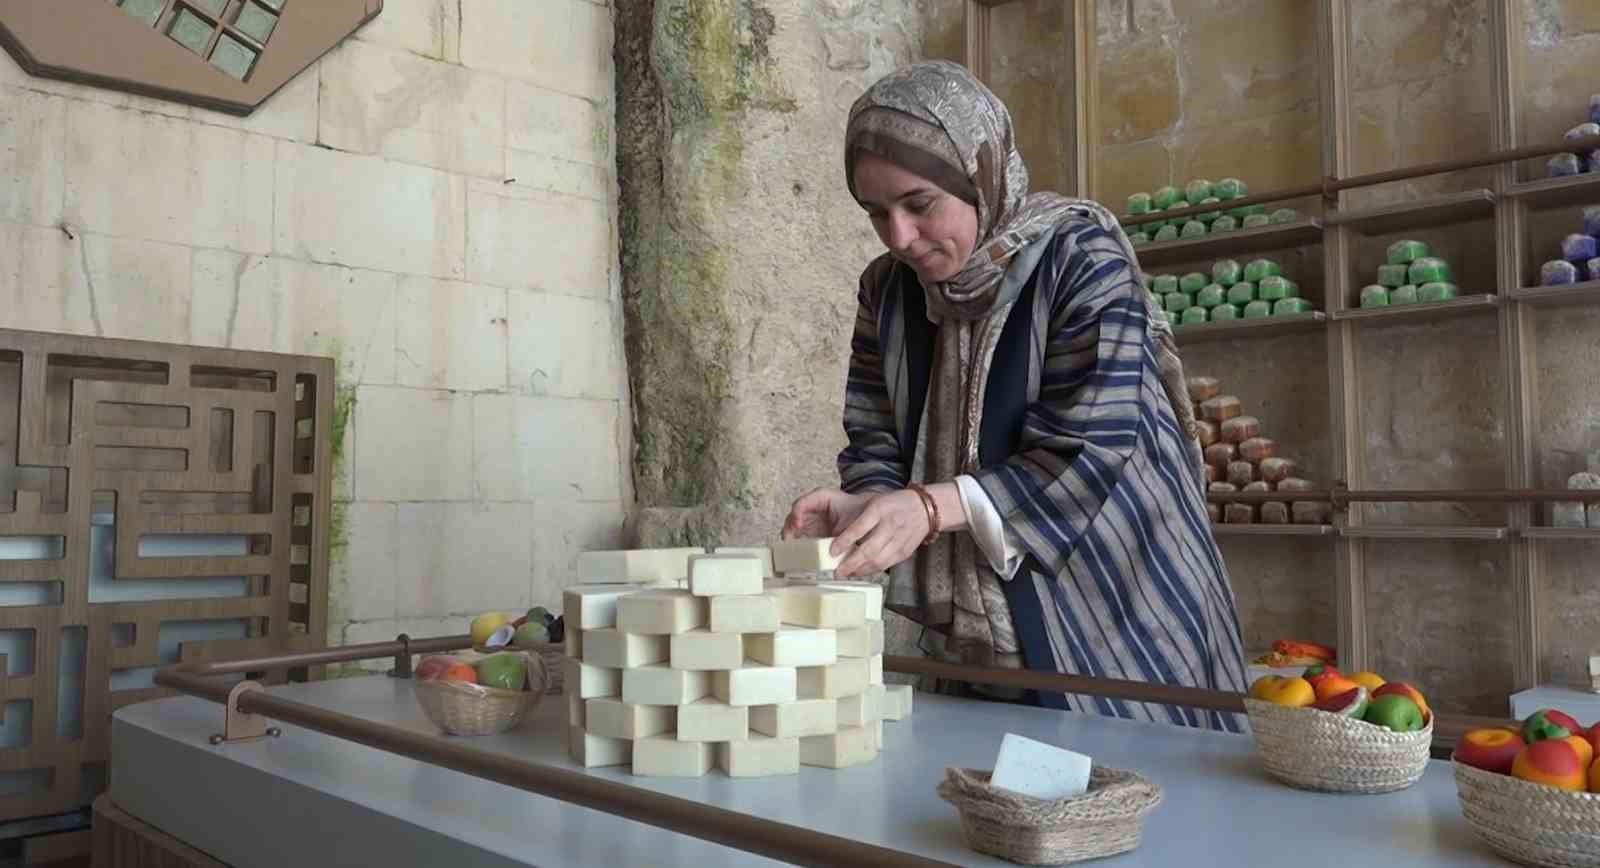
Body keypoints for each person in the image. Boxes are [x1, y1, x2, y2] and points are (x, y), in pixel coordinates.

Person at [781, 60, 1248, 730]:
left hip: (1119, 597)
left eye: (918, 205)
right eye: (876, 213)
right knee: (990, 804)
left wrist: (928, 507)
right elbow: (876, 428)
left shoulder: (1081, 259)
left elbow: (1091, 448)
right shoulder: (886, 291)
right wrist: (873, 505)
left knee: (1141, 799)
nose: (899, 237)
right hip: (982, 629)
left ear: (981, 175)